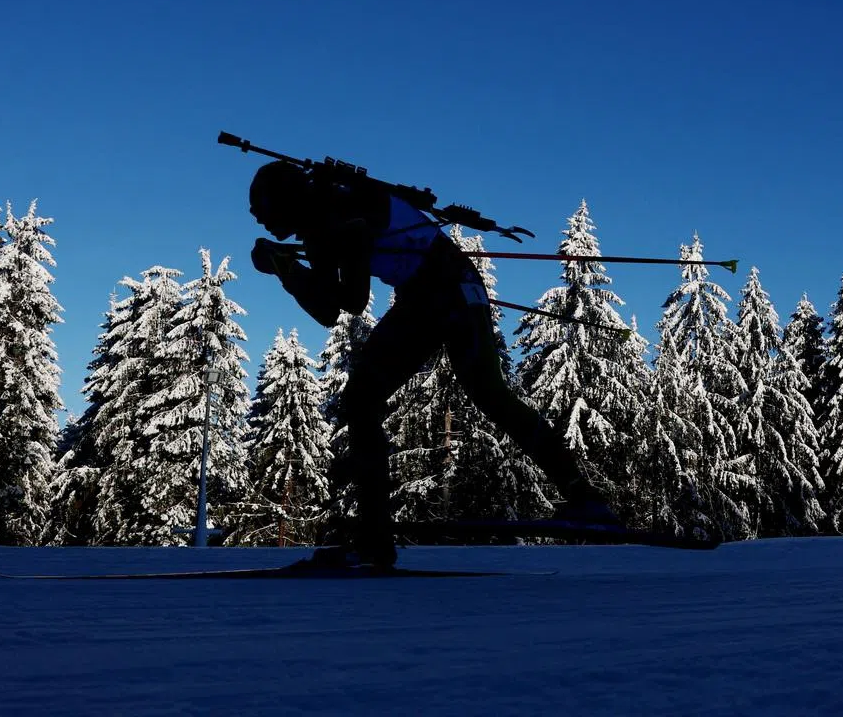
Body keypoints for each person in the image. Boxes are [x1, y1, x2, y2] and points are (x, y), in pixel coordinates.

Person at [247, 160, 615, 567]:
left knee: (363, 399)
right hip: (456, 289)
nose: (265, 225)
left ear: (287, 202)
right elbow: (333, 301)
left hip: (435, 294)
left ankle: (374, 539)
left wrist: (285, 268)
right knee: (489, 397)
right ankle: (585, 498)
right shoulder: (333, 209)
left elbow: (341, 305)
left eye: (266, 215)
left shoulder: (337, 217)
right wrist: (290, 264)